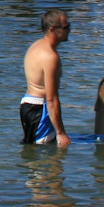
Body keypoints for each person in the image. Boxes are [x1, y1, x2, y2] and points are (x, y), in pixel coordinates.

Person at [21, 10, 72, 145]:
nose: (69, 30)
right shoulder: (50, 56)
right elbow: (52, 98)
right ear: (52, 29)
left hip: (28, 105)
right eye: (66, 27)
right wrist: (61, 133)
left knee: (33, 149)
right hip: (40, 109)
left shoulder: (35, 46)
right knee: (47, 155)